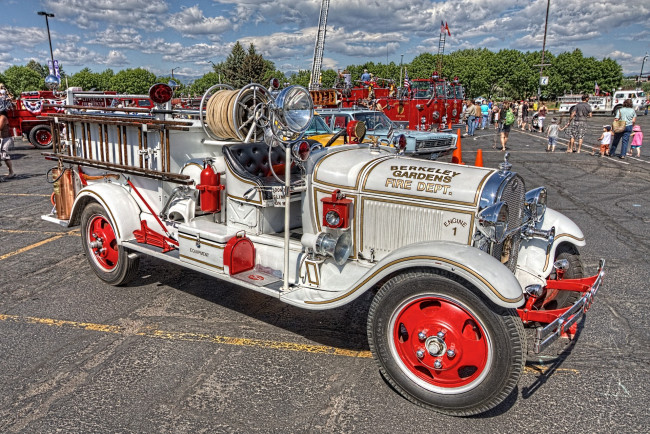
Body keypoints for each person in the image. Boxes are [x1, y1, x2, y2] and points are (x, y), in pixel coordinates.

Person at [0, 109, 16, 179]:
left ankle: (11, 172)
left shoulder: (3, 117)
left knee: (5, 155)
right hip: (1, 139)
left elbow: (0, 127)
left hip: (6, 139)